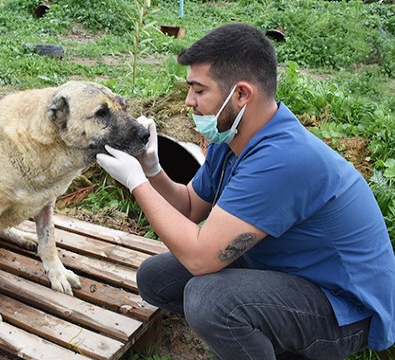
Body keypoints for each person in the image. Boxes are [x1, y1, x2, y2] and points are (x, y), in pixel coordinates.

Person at [97, 23, 394, 359]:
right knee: (156, 279)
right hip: (287, 270)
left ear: (240, 94)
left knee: (209, 299)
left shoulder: (282, 158)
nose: (188, 101)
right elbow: (193, 206)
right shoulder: (232, 138)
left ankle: (281, 344)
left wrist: (136, 183)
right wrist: (152, 169)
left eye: (198, 90)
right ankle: (264, 335)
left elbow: (199, 258)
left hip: (344, 307)